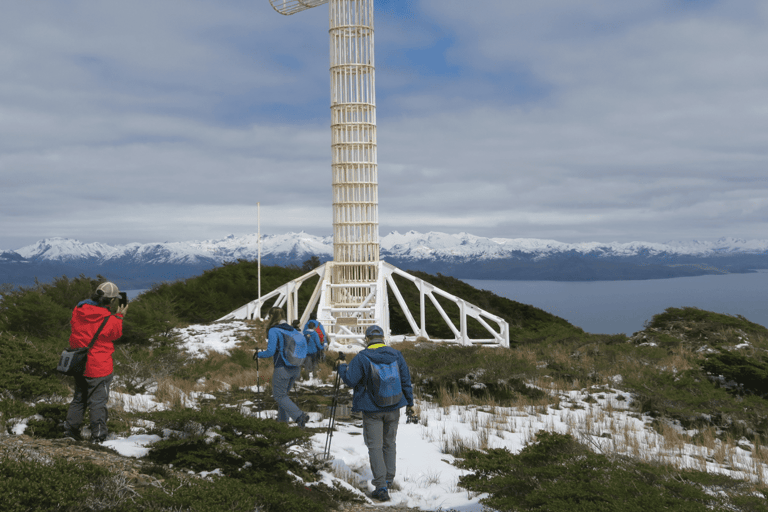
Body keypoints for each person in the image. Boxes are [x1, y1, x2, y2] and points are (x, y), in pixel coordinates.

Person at [337, 325, 414, 502]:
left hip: (371, 409)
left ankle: (381, 487)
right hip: (394, 406)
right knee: (390, 443)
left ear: (367, 339)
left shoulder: (362, 357)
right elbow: (405, 381)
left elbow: (350, 380)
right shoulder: (396, 355)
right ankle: (388, 479)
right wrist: (410, 403)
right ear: (383, 338)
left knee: (375, 446)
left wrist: (342, 367)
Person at [62, 281, 128, 443]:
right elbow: (115, 335)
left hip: (79, 363)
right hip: (99, 366)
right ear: (111, 300)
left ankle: (70, 432)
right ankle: (98, 436)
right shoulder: (110, 319)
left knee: (79, 399)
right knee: (97, 402)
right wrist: (119, 316)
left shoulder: (78, 310)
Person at [256, 307, 310, 427]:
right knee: (283, 396)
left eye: (269, 317)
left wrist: (258, 354)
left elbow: (270, 351)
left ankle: (300, 416)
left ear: (271, 317)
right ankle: (282, 424)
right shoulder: (294, 331)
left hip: (282, 368)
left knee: (279, 396)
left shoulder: (274, 330)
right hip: (296, 367)